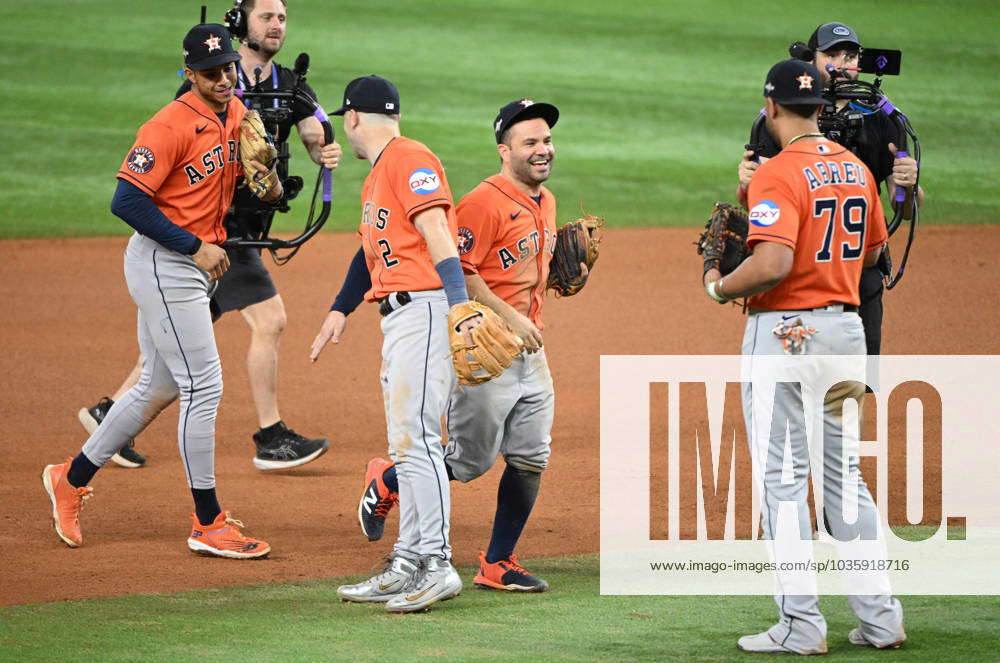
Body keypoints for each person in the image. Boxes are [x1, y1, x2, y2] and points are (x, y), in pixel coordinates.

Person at [77, 0, 341, 471]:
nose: (277, 25)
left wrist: (323, 153)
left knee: (165, 359)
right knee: (267, 322)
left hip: (231, 234)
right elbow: (136, 193)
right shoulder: (195, 104)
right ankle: (270, 437)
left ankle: (108, 416)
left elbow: (313, 135)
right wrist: (196, 242)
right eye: (267, 16)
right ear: (240, 24)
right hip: (207, 235)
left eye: (283, 17)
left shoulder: (286, 87)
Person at [43, 24, 275, 558]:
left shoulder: (236, 113)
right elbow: (126, 202)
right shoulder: (167, 125)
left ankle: (69, 478)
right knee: (204, 387)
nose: (222, 80)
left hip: (190, 264)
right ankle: (208, 521)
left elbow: (235, 177)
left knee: (158, 385)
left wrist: (267, 179)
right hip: (165, 262)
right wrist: (195, 247)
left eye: (227, 70)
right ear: (189, 73)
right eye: (210, 73)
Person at [706, 59, 905, 654]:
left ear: (771, 108)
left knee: (784, 483)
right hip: (847, 335)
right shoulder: (854, 168)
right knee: (846, 479)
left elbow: (771, 264)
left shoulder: (775, 173)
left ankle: (801, 624)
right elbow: (872, 255)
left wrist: (718, 283)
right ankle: (881, 620)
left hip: (786, 337)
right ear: (821, 107)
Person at [355, 99, 576, 593]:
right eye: (531, 144)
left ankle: (498, 562)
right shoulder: (483, 202)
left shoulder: (548, 201)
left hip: (531, 352)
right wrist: (513, 317)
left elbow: (525, 269)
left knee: (531, 456)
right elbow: (460, 267)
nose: (543, 151)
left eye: (546, 141)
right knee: (468, 462)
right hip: (488, 347)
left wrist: (559, 276)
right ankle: (388, 478)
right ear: (505, 150)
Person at [309, 75, 483, 612]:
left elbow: (436, 231)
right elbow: (369, 253)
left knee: (419, 442)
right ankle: (408, 561)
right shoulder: (379, 174)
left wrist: (458, 304)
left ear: (354, 118)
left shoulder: (409, 158)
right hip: (401, 315)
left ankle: (435, 563)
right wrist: (340, 307)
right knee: (406, 442)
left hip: (427, 309)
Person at [737, 21, 925, 362]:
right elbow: (764, 198)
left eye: (850, 55)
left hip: (860, 266)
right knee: (794, 377)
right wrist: (748, 183)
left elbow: (904, 207)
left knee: (856, 382)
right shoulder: (786, 116)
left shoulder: (881, 117)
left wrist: (908, 188)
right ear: (811, 60)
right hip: (799, 265)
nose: (842, 63)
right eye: (832, 54)